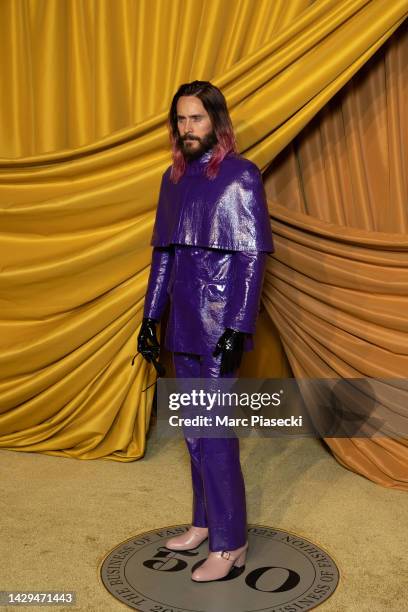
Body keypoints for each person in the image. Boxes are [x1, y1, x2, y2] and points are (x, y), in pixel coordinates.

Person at [137, 80, 274, 582]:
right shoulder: (171, 179)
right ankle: (202, 522)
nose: (187, 127)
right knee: (193, 432)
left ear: (217, 120)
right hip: (182, 324)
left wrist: (238, 326)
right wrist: (150, 319)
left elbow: (251, 257)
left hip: (220, 329)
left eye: (196, 118)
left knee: (214, 435)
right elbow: (163, 257)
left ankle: (230, 541)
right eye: (181, 119)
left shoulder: (241, 176)